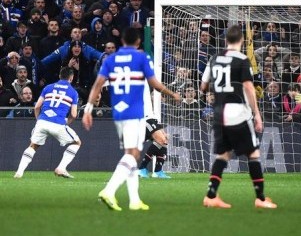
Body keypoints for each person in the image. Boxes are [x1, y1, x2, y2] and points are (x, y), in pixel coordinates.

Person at [82, 28, 180, 211]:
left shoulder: (110, 60)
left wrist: (88, 109)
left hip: (119, 113)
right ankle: (109, 191)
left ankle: (135, 200)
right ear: (137, 43)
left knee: (132, 154)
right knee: (132, 155)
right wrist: (171, 93)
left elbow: (97, 85)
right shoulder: (141, 59)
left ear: (122, 43)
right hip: (136, 113)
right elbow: (155, 85)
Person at [200, 25, 277, 209]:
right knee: (253, 154)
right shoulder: (242, 59)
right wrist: (257, 114)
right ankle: (260, 198)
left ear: (225, 40)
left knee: (223, 154)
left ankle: (211, 196)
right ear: (242, 40)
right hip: (237, 112)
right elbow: (250, 88)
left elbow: (203, 87)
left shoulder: (214, 59)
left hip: (218, 113)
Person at [14, 67, 81, 179]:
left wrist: (38, 120)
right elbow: (74, 114)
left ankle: (19, 172)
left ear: (59, 76)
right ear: (71, 78)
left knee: (33, 146)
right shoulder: (73, 92)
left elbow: (37, 106)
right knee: (77, 143)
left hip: (42, 121)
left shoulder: (48, 87)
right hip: (58, 123)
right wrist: (67, 122)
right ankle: (61, 168)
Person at [138, 81, 171, 179]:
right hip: (144, 117)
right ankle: (142, 169)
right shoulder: (138, 82)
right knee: (161, 140)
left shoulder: (155, 105)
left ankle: (157, 171)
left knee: (164, 140)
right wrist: (173, 94)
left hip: (151, 118)